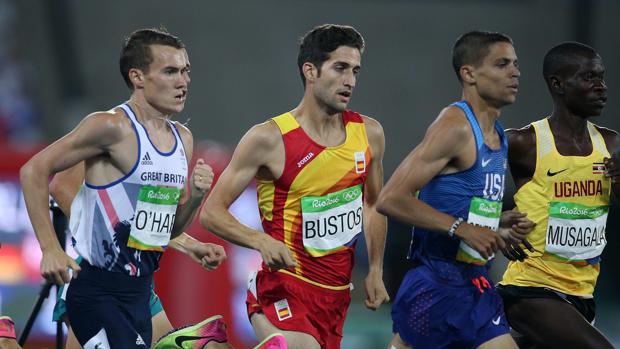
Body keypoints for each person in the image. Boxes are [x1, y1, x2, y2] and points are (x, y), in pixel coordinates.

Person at [20, 27, 215, 348]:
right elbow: (34, 171)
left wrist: (194, 197)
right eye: (170, 71)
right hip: (97, 289)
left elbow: (165, 230)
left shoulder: (183, 139)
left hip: (140, 293)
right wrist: (50, 248)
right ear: (138, 77)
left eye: (185, 71)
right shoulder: (110, 126)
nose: (183, 81)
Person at [198, 24, 389, 349]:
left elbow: (373, 204)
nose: (350, 81)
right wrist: (260, 241)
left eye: (355, 70)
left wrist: (374, 268)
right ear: (310, 70)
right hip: (284, 285)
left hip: (336, 296)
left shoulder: (368, 134)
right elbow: (211, 212)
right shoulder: (269, 139)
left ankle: (210, 346)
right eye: (340, 68)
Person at [376, 31, 533, 349]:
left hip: (474, 283)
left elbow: (460, 205)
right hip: (437, 285)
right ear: (469, 73)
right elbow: (390, 198)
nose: (515, 72)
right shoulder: (456, 127)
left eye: (515, 64)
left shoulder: (498, 134)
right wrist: (462, 229)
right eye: (502, 64)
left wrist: (498, 224)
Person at [497, 42, 615, 349]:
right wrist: (493, 223)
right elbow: (457, 184)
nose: (601, 87)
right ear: (558, 84)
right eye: (588, 78)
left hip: (582, 295)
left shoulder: (611, 145)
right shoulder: (524, 142)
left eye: (601, 77)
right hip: (530, 290)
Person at [48, 163, 229, 349]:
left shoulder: (175, 142)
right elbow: (61, 186)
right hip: (97, 281)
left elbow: (140, 222)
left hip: (138, 284)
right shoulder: (109, 134)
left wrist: (192, 246)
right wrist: (51, 248)